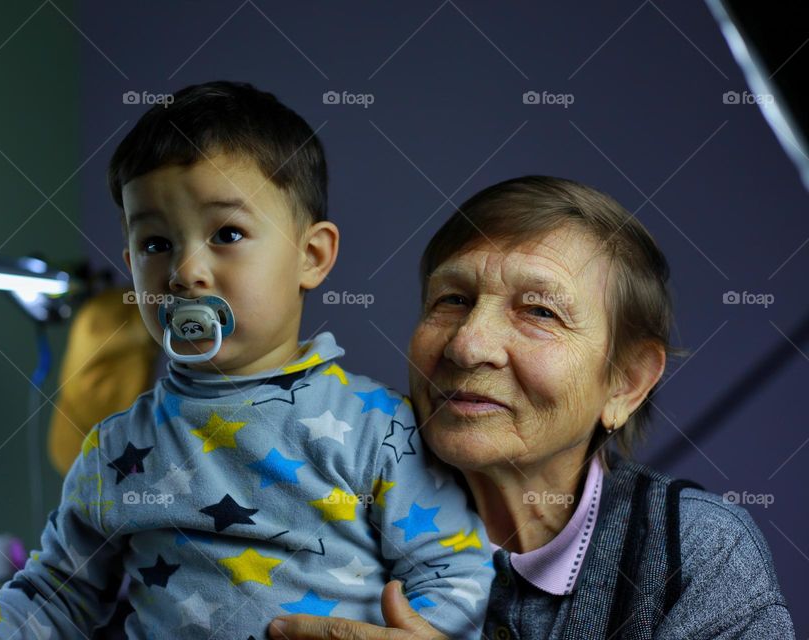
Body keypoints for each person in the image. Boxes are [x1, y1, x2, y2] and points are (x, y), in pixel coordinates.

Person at [0, 81, 494, 640]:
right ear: (131, 263)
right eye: (157, 244)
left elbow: (457, 578)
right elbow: (54, 597)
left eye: (227, 233)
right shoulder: (115, 450)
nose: (185, 271)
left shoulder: (381, 429)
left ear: (311, 256)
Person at [269, 176, 795, 639]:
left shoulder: (694, 554)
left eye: (540, 311)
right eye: (452, 299)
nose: (468, 345)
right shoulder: (317, 489)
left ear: (625, 384)